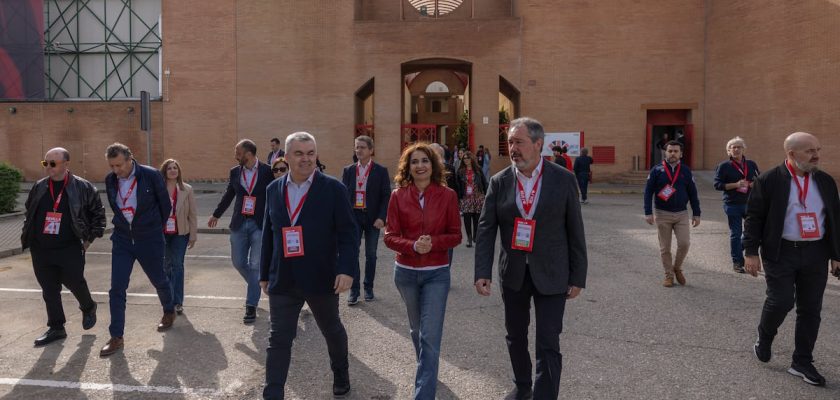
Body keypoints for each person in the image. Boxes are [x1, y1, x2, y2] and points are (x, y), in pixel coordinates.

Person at [474, 117, 587, 400]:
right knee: (515, 336)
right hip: (513, 273)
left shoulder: (563, 179)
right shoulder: (499, 182)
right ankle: (523, 386)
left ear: (538, 144)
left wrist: (577, 276)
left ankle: (545, 395)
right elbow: (486, 229)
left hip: (552, 273)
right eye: (510, 142)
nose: (513, 148)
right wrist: (481, 271)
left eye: (519, 142)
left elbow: (575, 231)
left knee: (548, 340)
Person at [260, 132, 359, 399]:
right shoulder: (273, 189)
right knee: (278, 338)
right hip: (284, 278)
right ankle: (272, 392)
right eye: (299, 153)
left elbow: (349, 234)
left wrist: (347, 269)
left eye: (311, 153)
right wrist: (264, 273)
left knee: (332, 330)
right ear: (287, 156)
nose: (306, 159)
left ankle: (341, 373)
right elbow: (269, 233)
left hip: (321, 277)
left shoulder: (334, 189)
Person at [744, 132, 840, 387]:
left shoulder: (826, 182)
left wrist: (836, 255)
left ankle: (802, 362)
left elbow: (834, 219)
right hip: (781, 251)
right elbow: (754, 217)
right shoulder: (769, 180)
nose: (816, 155)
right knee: (781, 300)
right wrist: (751, 252)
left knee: (811, 309)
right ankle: (764, 338)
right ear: (791, 154)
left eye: (817, 149)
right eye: (809, 151)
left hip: (815, 252)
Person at [384, 143, 462, 399]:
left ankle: (423, 393)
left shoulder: (448, 195)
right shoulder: (397, 196)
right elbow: (390, 236)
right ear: (408, 167)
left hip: (436, 273)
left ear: (433, 165)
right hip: (405, 273)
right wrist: (413, 246)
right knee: (417, 331)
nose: (420, 166)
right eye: (414, 161)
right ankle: (428, 368)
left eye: (425, 161)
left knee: (429, 334)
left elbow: (455, 235)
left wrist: (432, 244)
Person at [21, 147, 105, 347]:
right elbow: (29, 211)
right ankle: (57, 327)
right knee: (49, 289)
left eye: (53, 163)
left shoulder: (83, 188)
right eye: (45, 163)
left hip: (70, 248)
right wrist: (30, 237)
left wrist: (88, 240)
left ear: (66, 164)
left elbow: (99, 217)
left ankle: (88, 306)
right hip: (41, 248)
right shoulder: (39, 186)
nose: (48, 167)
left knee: (75, 282)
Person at [100, 143, 176, 357]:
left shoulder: (150, 175)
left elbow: (165, 206)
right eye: (112, 166)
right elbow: (116, 206)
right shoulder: (110, 180)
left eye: (119, 165)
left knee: (159, 279)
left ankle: (168, 311)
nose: (116, 170)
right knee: (117, 288)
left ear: (130, 158)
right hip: (123, 239)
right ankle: (116, 337)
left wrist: (153, 229)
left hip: (149, 239)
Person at [209, 139, 273, 323]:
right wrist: (216, 214)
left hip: (259, 224)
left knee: (255, 265)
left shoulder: (268, 171)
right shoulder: (235, 171)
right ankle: (259, 283)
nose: (235, 155)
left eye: (238, 152)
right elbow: (229, 194)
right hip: (239, 222)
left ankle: (250, 306)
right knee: (238, 262)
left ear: (249, 154)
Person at [643, 140, 701, 287]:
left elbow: (693, 193)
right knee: (665, 248)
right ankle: (668, 275)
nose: (673, 153)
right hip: (662, 213)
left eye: (676, 151)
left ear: (681, 154)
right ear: (665, 152)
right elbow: (648, 192)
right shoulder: (657, 170)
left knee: (684, 243)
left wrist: (697, 213)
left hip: (681, 213)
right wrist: (648, 212)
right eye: (670, 151)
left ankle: (677, 267)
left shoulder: (686, 171)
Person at [341, 135, 391, 304]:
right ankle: (354, 291)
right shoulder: (348, 170)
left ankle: (368, 288)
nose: (359, 150)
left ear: (371, 150)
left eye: (362, 147)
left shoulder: (380, 171)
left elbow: (386, 196)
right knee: (352, 253)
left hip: (372, 218)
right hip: (353, 216)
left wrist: (382, 218)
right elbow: (343, 196)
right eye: (357, 147)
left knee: (371, 254)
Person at [713, 137, 760, 273]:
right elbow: (717, 185)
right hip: (732, 204)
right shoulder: (723, 166)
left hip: (750, 203)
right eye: (733, 147)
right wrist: (736, 185)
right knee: (736, 233)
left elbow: (759, 180)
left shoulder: (751, 164)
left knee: (752, 231)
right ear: (729, 151)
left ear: (743, 149)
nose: (736, 149)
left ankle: (741, 251)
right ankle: (738, 262)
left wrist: (753, 184)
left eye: (739, 147)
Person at [159, 159, 198, 315]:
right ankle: (168, 300)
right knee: (165, 266)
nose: (173, 170)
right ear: (165, 171)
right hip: (162, 233)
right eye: (169, 168)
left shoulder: (187, 189)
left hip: (180, 233)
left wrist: (193, 235)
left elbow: (192, 214)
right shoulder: (158, 189)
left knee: (177, 265)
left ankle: (177, 302)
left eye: (175, 168)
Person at [456, 151, 487, 248]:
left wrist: (486, 194)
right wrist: (458, 197)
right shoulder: (460, 171)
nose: (466, 160)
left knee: (477, 218)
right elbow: (457, 185)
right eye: (464, 158)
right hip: (466, 198)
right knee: (467, 218)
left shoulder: (478, 169)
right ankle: (469, 238)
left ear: (471, 159)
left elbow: (484, 182)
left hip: (478, 197)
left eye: (468, 158)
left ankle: (475, 236)